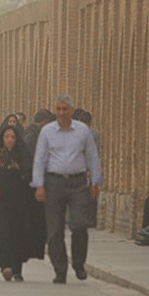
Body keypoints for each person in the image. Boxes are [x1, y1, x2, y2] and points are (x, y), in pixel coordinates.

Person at [32, 94, 102, 284]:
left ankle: (79, 263)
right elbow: (39, 160)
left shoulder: (82, 131)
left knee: (79, 224)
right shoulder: (47, 131)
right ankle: (60, 269)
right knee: (54, 230)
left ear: (71, 110)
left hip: (78, 183)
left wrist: (95, 182)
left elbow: (92, 157)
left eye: (65, 109)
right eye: (59, 110)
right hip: (53, 183)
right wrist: (39, 185)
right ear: (56, 110)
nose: (62, 113)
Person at [0, 124, 45, 282]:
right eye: (6, 137)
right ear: (2, 139)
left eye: (13, 137)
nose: (9, 140)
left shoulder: (24, 157)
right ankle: (6, 266)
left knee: (18, 236)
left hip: (21, 204)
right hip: (2, 203)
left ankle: (17, 270)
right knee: (4, 234)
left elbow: (33, 177)